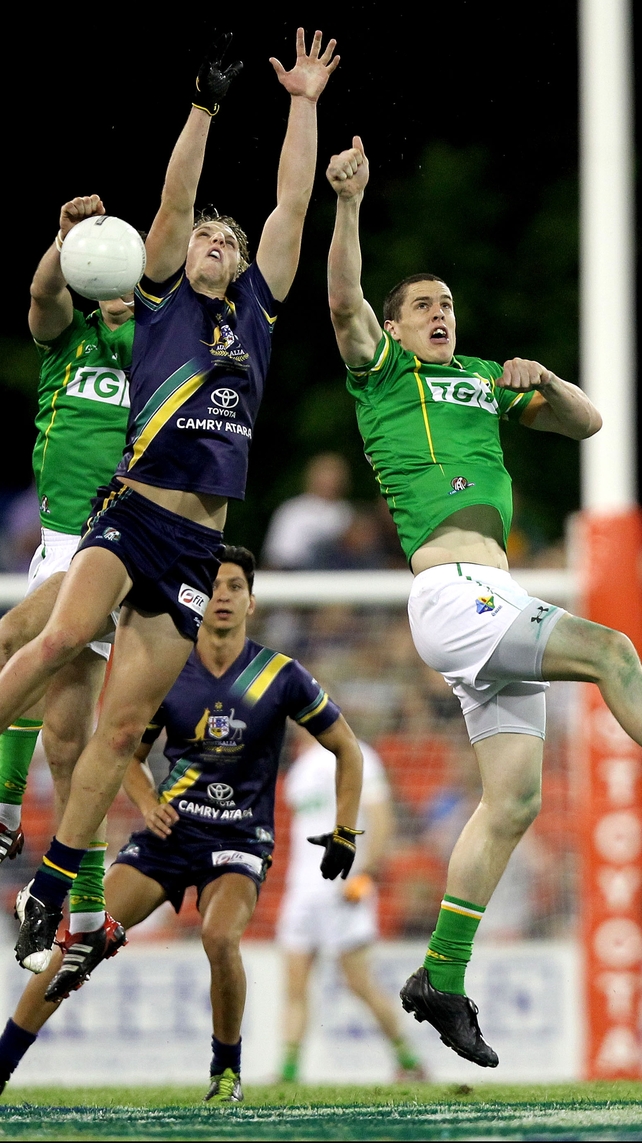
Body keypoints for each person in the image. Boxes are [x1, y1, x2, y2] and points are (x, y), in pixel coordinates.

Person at [0, 28, 339, 975]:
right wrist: (203, 106)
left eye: (226, 239)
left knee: (116, 730)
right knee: (61, 637)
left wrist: (303, 103)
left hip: (196, 550)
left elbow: (294, 201)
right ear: (177, 254)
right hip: (131, 516)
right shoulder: (154, 302)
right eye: (202, 237)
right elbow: (178, 198)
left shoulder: (259, 313)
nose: (214, 241)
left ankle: (51, 882)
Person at [325, 136, 642, 1069]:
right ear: (397, 324)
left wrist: (542, 377)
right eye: (423, 304)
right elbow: (343, 301)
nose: (441, 313)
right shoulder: (384, 375)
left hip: (491, 591)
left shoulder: (480, 385)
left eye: (448, 304)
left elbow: (588, 422)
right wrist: (348, 207)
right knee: (615, 650)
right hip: (451, 591)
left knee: (511, 802)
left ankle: (441, 976)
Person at [0, 547, 363, 1104]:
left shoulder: (281, 674)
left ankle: (226, 1072)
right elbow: (128, 753)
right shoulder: (167, 669)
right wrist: (146, 803)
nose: (222, 596)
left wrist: (344, 830)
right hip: (171, 835)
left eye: (235, 587)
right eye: (214, 586)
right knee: (78, 943)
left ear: (251, 600)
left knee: (220, 936)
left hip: (241, 843)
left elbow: (347, 748)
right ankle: (1, 1065)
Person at [0, 193, 135, 955]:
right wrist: (61, 239)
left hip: (111, 542)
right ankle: (86, 917)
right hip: (56, 543)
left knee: (17, 637)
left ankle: (4, 806)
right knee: (64, 739)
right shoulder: (64, 341)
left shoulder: (150, 351)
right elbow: (41, 295)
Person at [277, 728, 425, 1083]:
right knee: (294, 984)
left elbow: (380, 816)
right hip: (301, 891)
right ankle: (288, 1074)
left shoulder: (356, 754)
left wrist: (366, 873)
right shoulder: (298, 769)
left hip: (343, 886)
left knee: (359, 982)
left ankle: (409, 1061)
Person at [261, 452, 354, 569]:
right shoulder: (293, 511)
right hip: (298, 577)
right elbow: (276, 559)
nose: (330, 482)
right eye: (325, 475)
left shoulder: (347, 512)